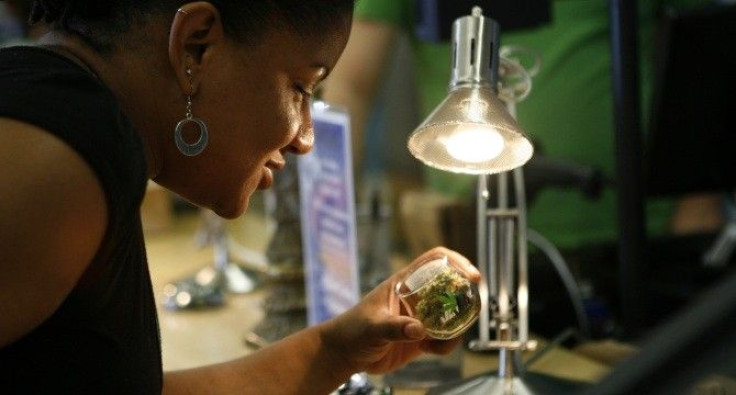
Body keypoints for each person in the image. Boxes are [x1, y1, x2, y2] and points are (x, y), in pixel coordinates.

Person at [0, 1, 480, 393]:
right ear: (197, 45)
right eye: (300, 87)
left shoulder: (83, 134)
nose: (305, 138)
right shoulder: (58, 157)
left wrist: (335, 351)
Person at [322, 0, 716, 337]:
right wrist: (332, 248)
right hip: (473, 254)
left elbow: (702, 48)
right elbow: (349, 87)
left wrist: (701, 203)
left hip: (647, 248)